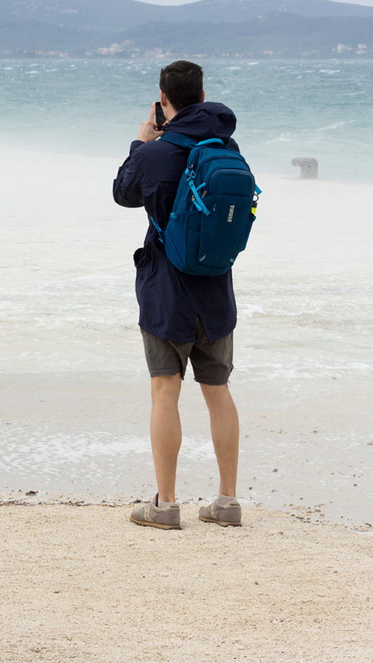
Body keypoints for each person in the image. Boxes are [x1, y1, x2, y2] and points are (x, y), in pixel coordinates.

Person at [112, 61, 243, 530]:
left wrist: (142, 141)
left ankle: (165, 505)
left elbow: (123, 194)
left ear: (163, 99)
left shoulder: (156, 152)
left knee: (165, 391)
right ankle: (227, 501)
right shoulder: (225, 146)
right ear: (203, 93)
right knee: (218, 391)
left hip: (167, 293)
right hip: (215, 291)